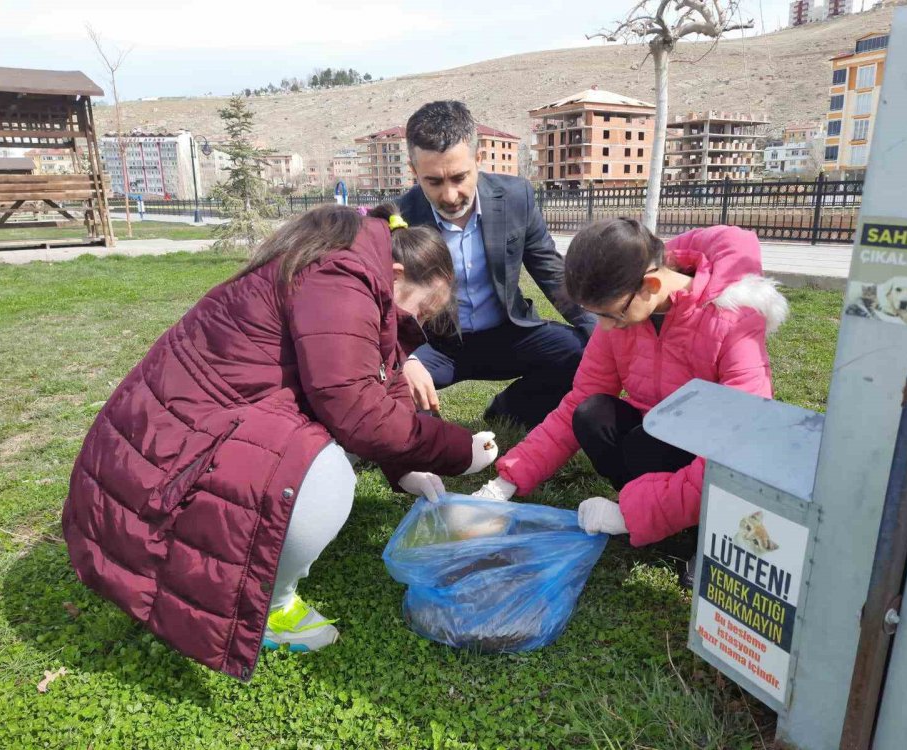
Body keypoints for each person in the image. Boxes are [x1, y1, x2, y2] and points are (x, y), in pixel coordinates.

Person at [61, 203, 499, 680]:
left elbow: (379, 376)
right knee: (326, 477)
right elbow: (356, 409)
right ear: (395, 275)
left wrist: (404, 467)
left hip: (170, 438)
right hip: (166, 461)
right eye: (418, 309)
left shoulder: (349, 264)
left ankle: (259, 572)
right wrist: (460, 450)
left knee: (326, 448)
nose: (413, 323)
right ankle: (271, 605)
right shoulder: (343, 276)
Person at [474, 220, 788, 577]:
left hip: (711, 455)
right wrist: (506, 481)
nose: (605, 328)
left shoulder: (731, 320)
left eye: (611, 315)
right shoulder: (622, 318)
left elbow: (736, 448)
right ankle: (650, 510)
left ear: (650, 285)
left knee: (653, 447)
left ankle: (697, 530)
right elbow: (580, 400)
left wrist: (629, 513)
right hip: (656, 438)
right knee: (593, 415)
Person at [397, 100, 596, 429]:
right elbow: (378, 305)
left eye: (460, 177)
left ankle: (508, 411)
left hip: (509, 333)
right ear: (413, 170)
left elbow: (549, 270)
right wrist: (403, 360)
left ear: (478, 159)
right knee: (389, 385)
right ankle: (426, 427)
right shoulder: (398, 219)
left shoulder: (517, 197)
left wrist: (597, 333)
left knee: (579, 352)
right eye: (433, 181)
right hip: (437, 345)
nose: (449, 195)